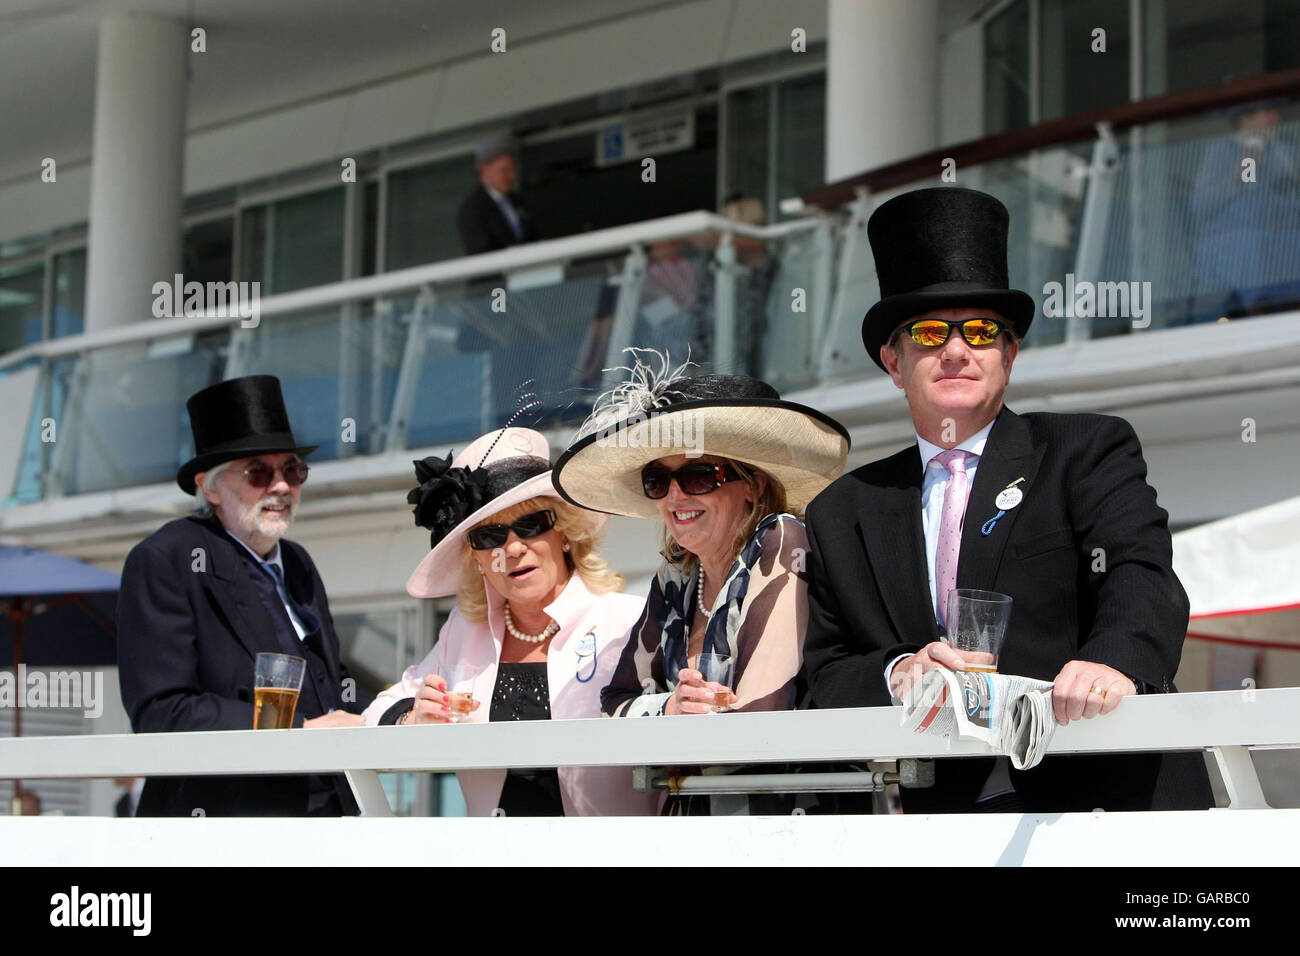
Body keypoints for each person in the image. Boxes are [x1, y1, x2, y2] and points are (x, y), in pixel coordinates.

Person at [800, 186, 1214, 813]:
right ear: (893, 358)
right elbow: (824, 676)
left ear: (1010, 353)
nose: (957, 349)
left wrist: (1112, 662)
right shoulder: (842, 510)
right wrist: (898, 672)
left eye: (982, 331)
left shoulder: (1087, 450)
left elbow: (1141, 573)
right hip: (937, 827)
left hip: (1106, 806)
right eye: (931, 331)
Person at [552, 357, 849, 814]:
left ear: (751, 485)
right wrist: (671, 710)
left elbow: (756, 720)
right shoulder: (677, 576)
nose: (674, 496)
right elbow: (613, 705)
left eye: (696, 476)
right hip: (692, 828)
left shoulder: (781, 539)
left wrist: (659, 723)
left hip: (780, 830)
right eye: (658, 479)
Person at [363, 427, 658, 817]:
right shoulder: (463, 631)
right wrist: (411, 717)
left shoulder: (627, 620)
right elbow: (374, 714)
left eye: (532, 524)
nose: (514, 548)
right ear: (478, 560)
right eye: (490, 536)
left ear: (565, 533)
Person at [117, 375, 370, 817]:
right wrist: (302, 730)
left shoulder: (298, 562)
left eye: (292, 470)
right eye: (259, 472)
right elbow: (163, 712)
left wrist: (400, 712)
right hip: (226, 825)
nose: (280, 487)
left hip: (327, 818)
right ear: (210, 488)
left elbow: (333, 688)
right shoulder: (166, 558)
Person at [456, 131, 539, 256]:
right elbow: (480, 251)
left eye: (513, 170)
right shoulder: (472, 208)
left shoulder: (518, 201)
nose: (511, 176)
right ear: (484, 170)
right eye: (504, 170)